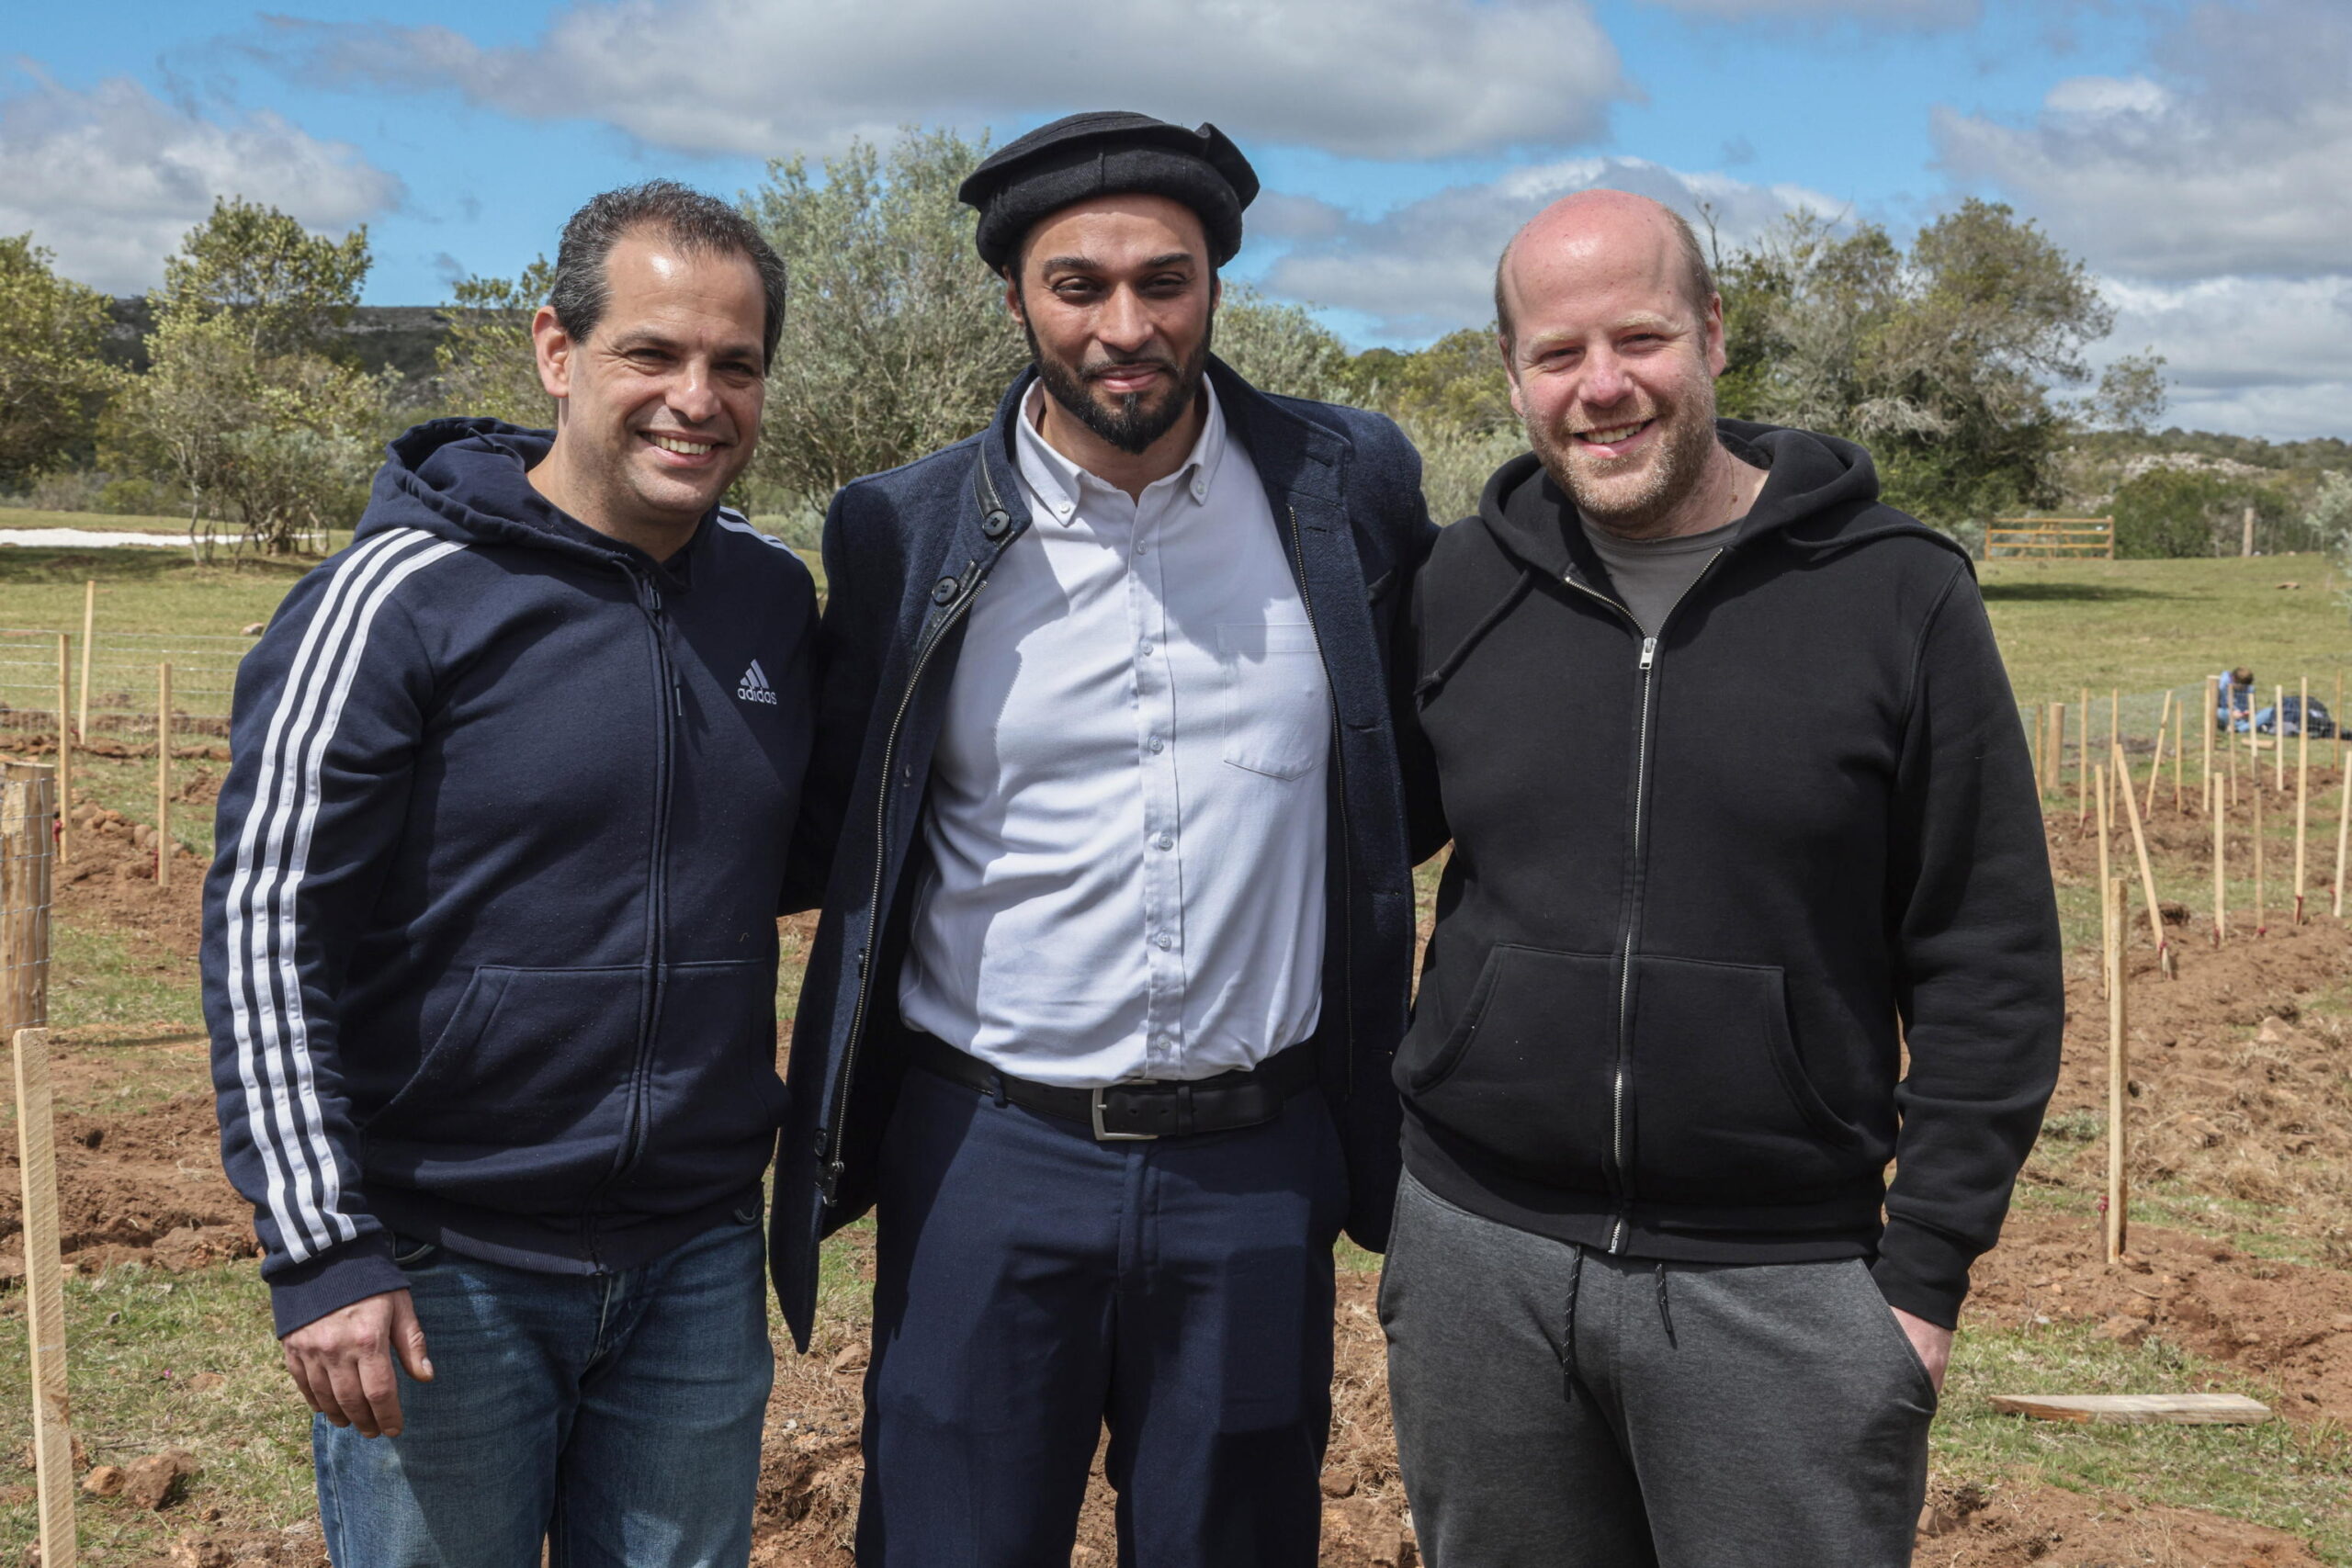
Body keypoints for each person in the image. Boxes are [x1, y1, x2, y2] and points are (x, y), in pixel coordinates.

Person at [772, 111, 1432, 1566]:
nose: (1125, 326)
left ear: (1216, 286)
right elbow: (834, 815)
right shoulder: (901, 529)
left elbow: (1408, 783)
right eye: (1078, 285)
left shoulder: (1347, 491)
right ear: (1014, 297)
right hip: (983, 1161)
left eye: (1164, 280)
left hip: (1257, 1173)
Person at [1382, 189, 2064, 1567]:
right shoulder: (1458, 587)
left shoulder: (1898, 592)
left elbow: (1986, 952)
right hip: (1478, 1266)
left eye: (1640, 338)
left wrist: (1919, 1285)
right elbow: (1351, 851)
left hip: (1786, 1287)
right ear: (1510, 372)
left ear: (1713, 335)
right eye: (1558, 353)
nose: (1602, 387)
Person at [202, 181, 815, 1568]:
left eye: (735, 365)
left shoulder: (773, 598)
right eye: (652, 353)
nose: (696, 400)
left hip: (696, 1256)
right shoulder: (399, 596)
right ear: (557, 349)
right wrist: (323, 1249)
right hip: (445, 1269)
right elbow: (266, 928)